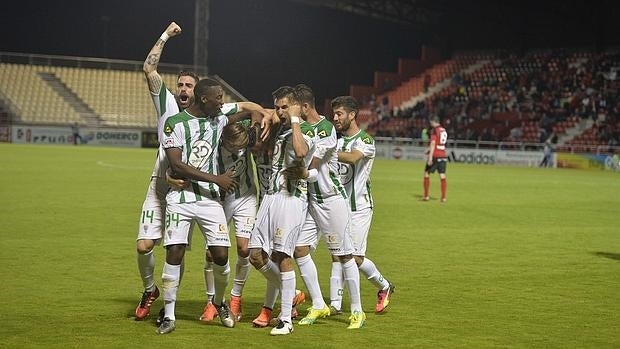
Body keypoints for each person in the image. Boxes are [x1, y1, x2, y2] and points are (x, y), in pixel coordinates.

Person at [156, 78, 271, 334]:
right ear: (204, 99)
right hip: (181, 198)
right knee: (174, 252)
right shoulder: (175, 124)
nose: (222, 101)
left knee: (220, 255)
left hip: (210, 200)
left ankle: (219, 302)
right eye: (218, 97)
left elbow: (251, 108)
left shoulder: (218, 118)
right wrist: (216, 179)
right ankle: (170, 315)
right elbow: (176, 165)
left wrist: (256, 122)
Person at [286, 85, 366, 330]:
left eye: (294, 108)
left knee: (344, 255)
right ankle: (319, 303)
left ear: (305, 107)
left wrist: (299, 172)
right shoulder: (300, 128)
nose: (291, 113)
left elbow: (314, 165)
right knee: (299, 249)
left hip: (331, 200)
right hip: (310, 201)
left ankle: (357, 311)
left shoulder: (325, 129)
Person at [134, 22, 197, 321]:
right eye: (181, 84)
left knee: (176, 249)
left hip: (184, 190)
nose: (183, 89)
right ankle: (150, 289)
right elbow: (148, 68)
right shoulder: (167, 103)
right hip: (159, 184)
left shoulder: (205, 117)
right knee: (144, 245)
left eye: (189, 86)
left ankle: (168, 305)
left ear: (199, 93)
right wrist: (165, 35)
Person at [247, 86, 316, 336]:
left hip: (291, 198)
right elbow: (258, 110)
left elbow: (300, 152)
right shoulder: (281, 125)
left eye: (285, 106)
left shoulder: (303, 129)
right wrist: (267, 114)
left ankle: (285, 319)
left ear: (296, 107)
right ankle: (293, 293)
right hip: (270, 197)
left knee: (283, 256)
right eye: (277, 106)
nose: (280, 111)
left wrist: (295, 119)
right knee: (255, 254)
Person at [331, 95, 395, 314]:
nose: (336, 118)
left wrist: (325, 151)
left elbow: (352, 158)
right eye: (334, 114)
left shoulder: (365, 140)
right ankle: (335, 305)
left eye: (339, 114)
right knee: (338, 254)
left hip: (359, 207)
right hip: (339, 207)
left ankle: (384, 286)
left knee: (355, 257)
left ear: (352, 115)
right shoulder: (337, 141)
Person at [423, 116, 448, 202]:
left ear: (434, 122)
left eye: (431, 122)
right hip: (443, 155)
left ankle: (426, 196)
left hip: (435, 155)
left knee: (426, 173)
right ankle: (444, 197)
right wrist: (428, 149)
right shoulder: (443, 130)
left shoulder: (434, 130)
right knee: (442, 175)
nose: (430, 124)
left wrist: (430, 157)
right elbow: (439, 143)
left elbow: (433, 144)